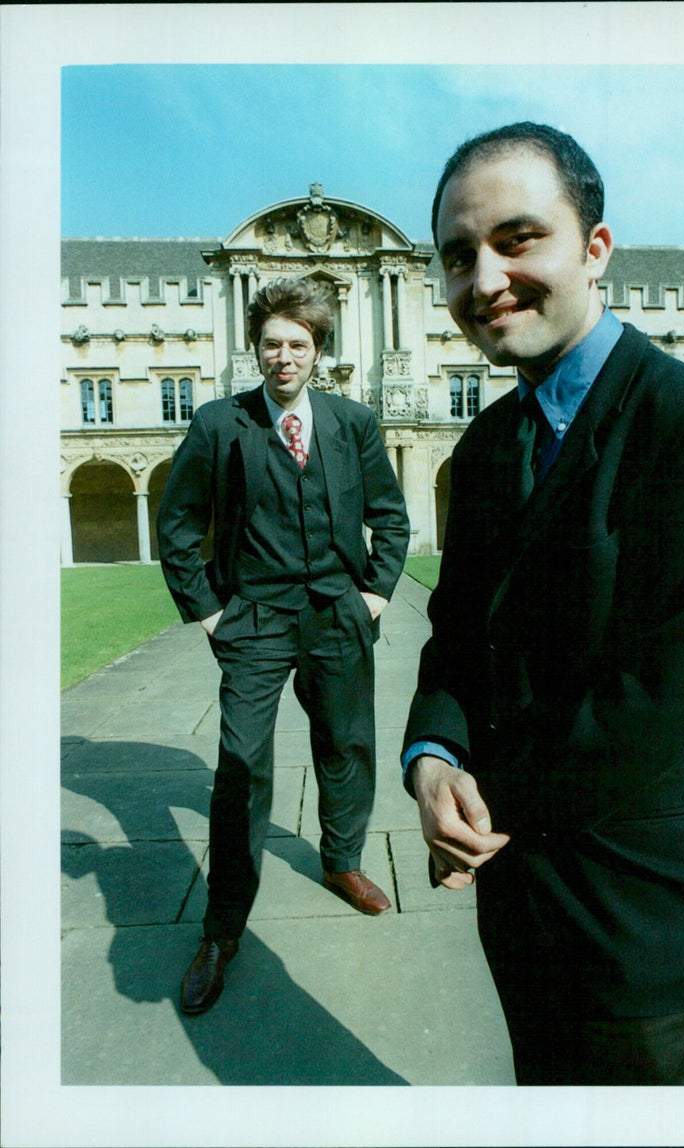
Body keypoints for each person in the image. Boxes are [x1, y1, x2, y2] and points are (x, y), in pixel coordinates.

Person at [402, 123, 684, 1085]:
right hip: (519, 904)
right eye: (459, 257)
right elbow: (458, 640)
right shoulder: (486, 446)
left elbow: (667, 698)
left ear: (595, 249)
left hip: (644, 920)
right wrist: (433, 761)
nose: (485, 277)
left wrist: (482, 810)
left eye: (518, 239)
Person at [158, 277, 409, 1015]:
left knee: (347, 743)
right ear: (255, 348)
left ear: (318, 351)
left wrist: (374, 597)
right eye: (271, 343)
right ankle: (221, 930)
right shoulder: (217, 424)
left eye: (298, 343)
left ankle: (343, 863)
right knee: (241, 766)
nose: (283, 356)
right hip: (255, 620)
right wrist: (207, 614)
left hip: (338, 613)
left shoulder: (352, 422)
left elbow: (391, 519)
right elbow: (178, 526)